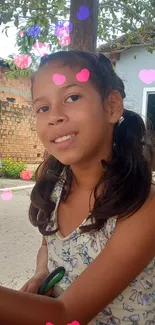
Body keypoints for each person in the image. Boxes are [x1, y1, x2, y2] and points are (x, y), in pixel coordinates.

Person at [0, 50, 155, 325]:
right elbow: (50, 243)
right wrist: (40, 273)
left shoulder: (143, 207)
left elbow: (66, 315)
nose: (54, 116)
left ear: (112, 106)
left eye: (72, 97)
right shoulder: (57, 186)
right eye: (42, 108)